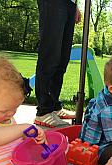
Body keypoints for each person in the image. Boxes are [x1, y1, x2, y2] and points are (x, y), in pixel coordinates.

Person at [34, 0, 81, 128]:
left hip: (69, 4)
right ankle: (44, 111)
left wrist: (74, 6)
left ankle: (54, 106)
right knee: (50, 56)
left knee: (62, 59)